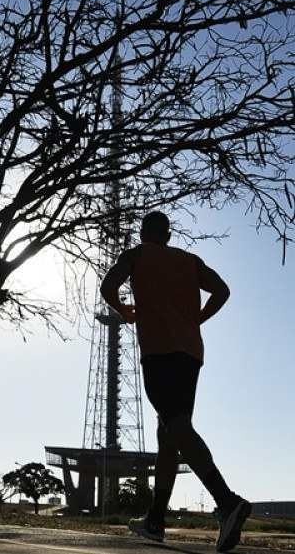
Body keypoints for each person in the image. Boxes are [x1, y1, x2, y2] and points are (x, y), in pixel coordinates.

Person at [100, 211, 250, 553]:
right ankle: (155, 519)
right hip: (190, 354)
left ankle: (227, 501)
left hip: (159, 352)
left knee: (177, 425)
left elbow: (108, 286)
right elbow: (223, 291)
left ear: (143, 234)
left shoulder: (135, 255)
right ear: (167, 235)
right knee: (168, 432)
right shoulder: (190, 260)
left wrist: (123, 309)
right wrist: (197, 318)